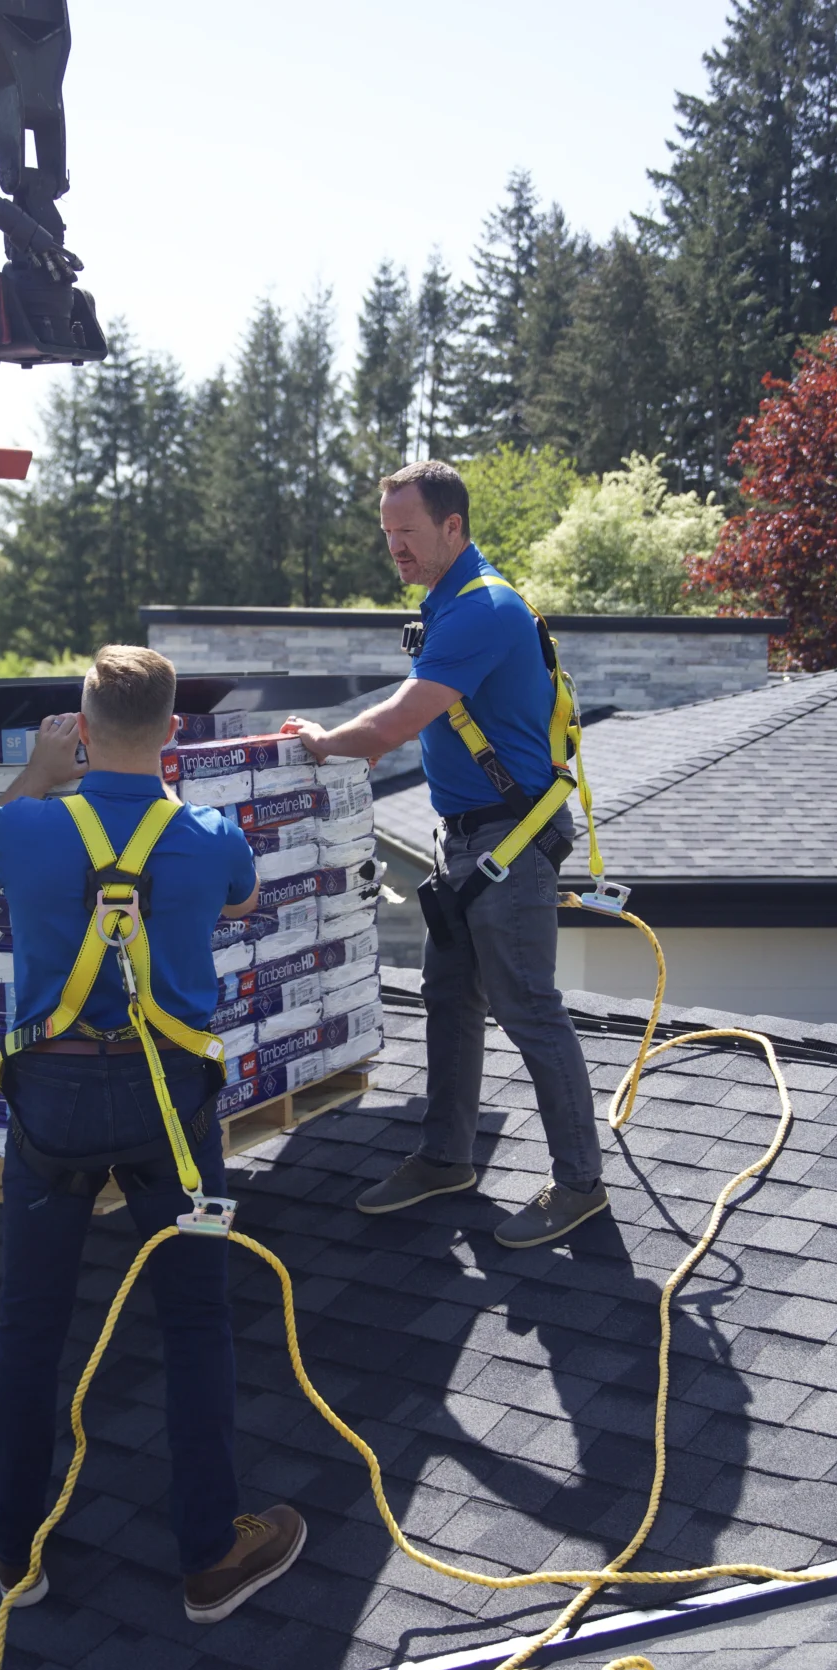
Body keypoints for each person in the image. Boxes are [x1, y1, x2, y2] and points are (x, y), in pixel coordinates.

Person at [0, 645, 309, 1624]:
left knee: (31, 1323)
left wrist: (35, 775)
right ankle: (207, 1553)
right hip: (171, 1119)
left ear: (82, 724)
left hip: (51, 1112)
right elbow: (240, 896)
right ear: (175, 729)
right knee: (192, 1320)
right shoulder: (207, 834)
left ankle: (16, 1547)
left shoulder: (24, 826)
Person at [284, 461, 610, 1250]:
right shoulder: (449, 604)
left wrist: (326, 743)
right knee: (450, 997)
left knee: (528, 1007)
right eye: (387, 534)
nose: (394, 547)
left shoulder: (483, 608)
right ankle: (445, 1158)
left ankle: (581, 1186)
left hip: (508, 844)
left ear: (453, 527)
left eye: (408, 533)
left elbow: (400, 718)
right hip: (468, 839)